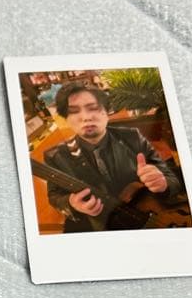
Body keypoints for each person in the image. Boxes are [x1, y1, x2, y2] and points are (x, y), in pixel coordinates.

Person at [42, 82, 183, 232]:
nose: (86, 117)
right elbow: (55, 196)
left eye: (93, 108)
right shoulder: (56, 156)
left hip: (150, 212)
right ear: (66, 119)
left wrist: (163, 183)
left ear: (106, 112)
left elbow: (171, 178)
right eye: (74, 112)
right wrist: (71, 204)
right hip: (105, 225)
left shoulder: (132, 137)